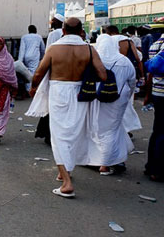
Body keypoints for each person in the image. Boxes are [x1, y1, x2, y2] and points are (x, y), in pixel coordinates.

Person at [29, 17, 107, 198]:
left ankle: (67, 183)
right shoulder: (89, 49)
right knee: (74, 133)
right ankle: (65, 172)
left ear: (63, 31)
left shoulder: (54, 48)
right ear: (81, 31)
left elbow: (39, 72)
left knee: (59, 136)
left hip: (59, 92)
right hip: (81, 93)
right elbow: (103, 75)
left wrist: (33, 87)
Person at [87, 35, 135, 175]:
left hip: (97, 99)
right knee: (112, 129)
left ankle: (104, 161)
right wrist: (128, 96)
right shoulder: (124, 61)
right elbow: (132, 82)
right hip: (118, 99)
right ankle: (107, 164)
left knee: (99, 129)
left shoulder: (94, 60)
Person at [144, 15, 164, 182]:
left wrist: (148, 94)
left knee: (158, 130)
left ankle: (151, 166)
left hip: (158, 92)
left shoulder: (156, 44)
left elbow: (151, 72)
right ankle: (160, 170)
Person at [34, 13, 66, 145]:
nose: (51, 23)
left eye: (53, 21)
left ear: (58, 22)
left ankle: (48, 134)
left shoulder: (53, 35)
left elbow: (49, 52)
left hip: (53, 71)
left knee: (50, 104)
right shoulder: (66, 34)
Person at [18, 24, 45, 91]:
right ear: (36, 30)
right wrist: (42, 57)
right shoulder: (39, 37)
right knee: (32, 72)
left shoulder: (24, 37)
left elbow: (22, 48)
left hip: (25, 56)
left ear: (28, 31)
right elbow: (42, 49)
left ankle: (26, 88)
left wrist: (20, 60)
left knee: (25, 72)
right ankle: (29, 89)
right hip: (34, 56)